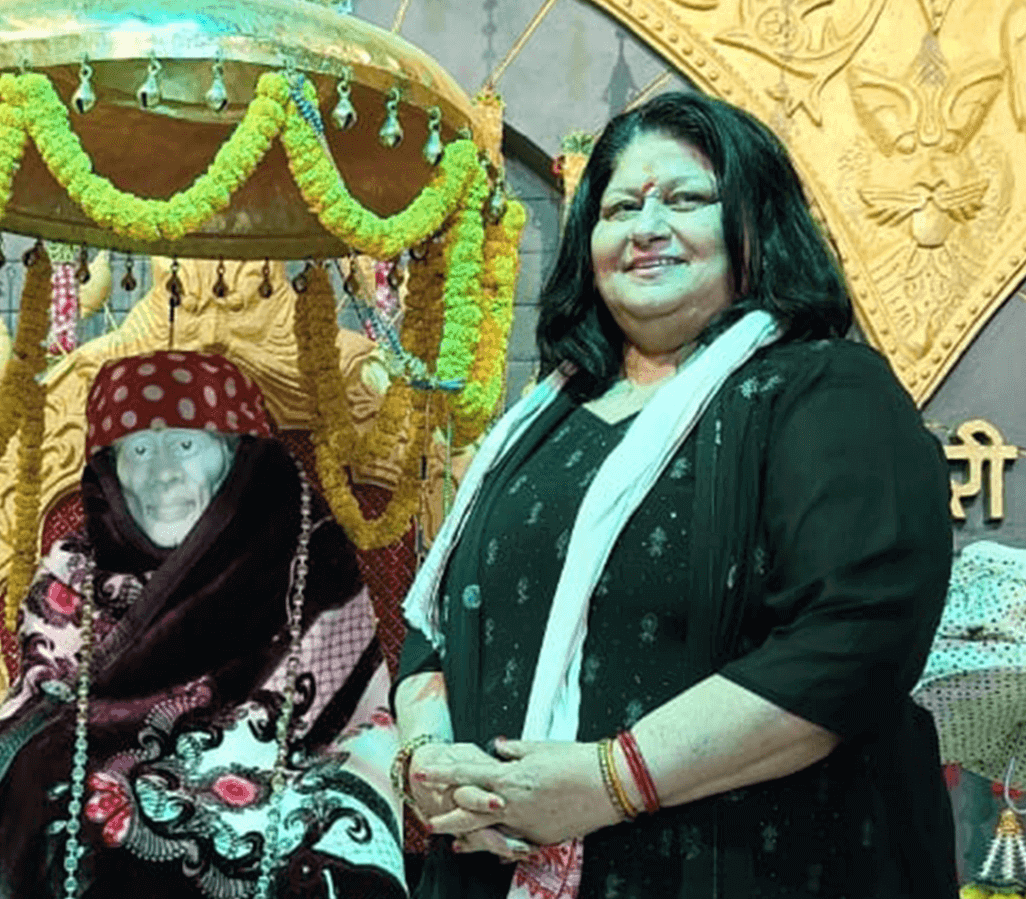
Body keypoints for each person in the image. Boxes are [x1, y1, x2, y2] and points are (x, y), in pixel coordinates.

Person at [392, 91, 956, 899]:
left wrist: (608, 779)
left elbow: (851, 638)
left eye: (686, 199)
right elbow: (439, 622)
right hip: (491, 862)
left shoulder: (823, 390)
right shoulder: (540, 421)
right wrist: (428, 760)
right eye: (621, 207)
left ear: (756, 222)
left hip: (747, 867)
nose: (647, 227)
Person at [0, 351, 408, 899]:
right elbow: (42, 717)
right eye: (139, 451)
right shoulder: (74, 568)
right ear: (110, 470)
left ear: (233, 459)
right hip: (102, 796)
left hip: (279, 779)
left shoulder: (303, 553)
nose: (161, 474)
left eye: (184, 446)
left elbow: (354, 723)